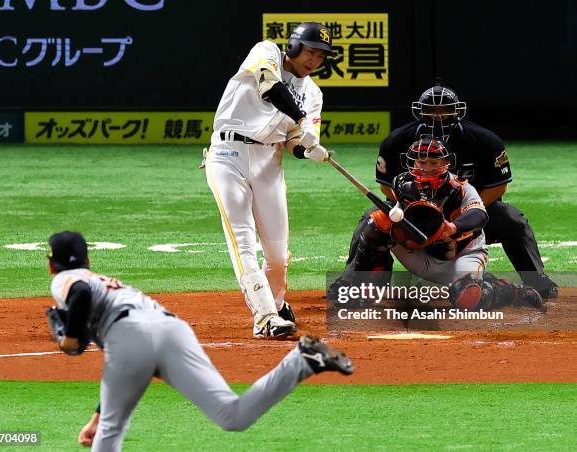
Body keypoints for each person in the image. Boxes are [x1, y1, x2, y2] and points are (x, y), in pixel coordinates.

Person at [45, 231, 354, 451]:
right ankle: (302, 361)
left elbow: (82, 298)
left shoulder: (65, 280)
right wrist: (99, 415)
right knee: (232, 415)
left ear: (51, 264)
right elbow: (128, 366)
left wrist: (70, 341)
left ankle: (303, 361)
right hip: (171, 329)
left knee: (111, 432)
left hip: (128, 336)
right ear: (88, 257)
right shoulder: (106, 282)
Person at [332, 84, 557, 298]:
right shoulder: (396, 141)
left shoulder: (485, 141)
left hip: (465, 211)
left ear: (457, 112)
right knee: (372, 219)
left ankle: (536, 280)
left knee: (512, 219)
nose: (438, 116)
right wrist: (416, 212)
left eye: (445, 110)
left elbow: (499, 185)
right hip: (412, 211)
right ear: (419, 112)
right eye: (431, 110)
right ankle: (353, 282)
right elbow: (386, 185)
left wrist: (463, 213)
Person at [202, 22, 333, 338]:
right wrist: (303, 120)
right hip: (226, 155)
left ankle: (275, 304)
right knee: (243, 238)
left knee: (277, 253)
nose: (313, 61)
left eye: (321, 56)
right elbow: (270, 87)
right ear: (294, 46)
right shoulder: (266, 52)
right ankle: (264, 317)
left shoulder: (313, 93)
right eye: (310, 52)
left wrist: (307, 148)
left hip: (269, 163)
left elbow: (293, 141)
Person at [329, 138, 542, 311]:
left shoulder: (460, 187)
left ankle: (510, 291)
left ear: (445, 164)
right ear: (412, 163)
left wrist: (453, 227)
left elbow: (479, 215)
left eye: (433, 163)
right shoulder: (401, 184)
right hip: (419, 253)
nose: (426, 168)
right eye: (421, 163)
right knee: (376, 223)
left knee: (468, 300)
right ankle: (363, 290)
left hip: (461, 254)